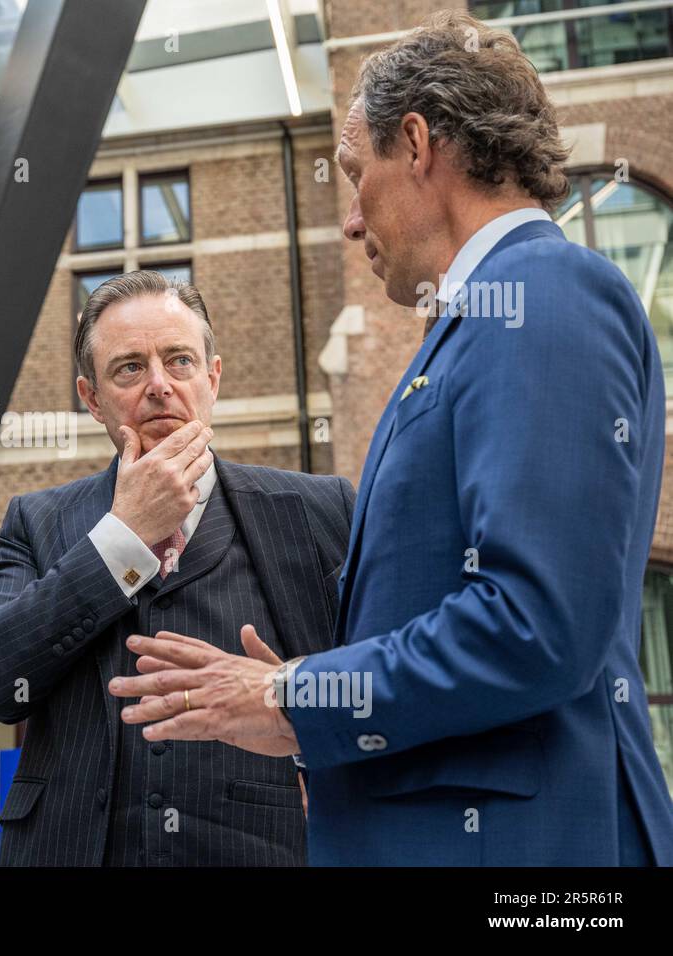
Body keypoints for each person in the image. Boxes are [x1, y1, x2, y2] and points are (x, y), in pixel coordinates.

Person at [110, 12, 673, 865]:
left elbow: (536, 622)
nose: (349, 220)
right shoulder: (478, 321)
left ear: (416, 144)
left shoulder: (544, 290)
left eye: (352, 173)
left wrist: (295, 694)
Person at [0, 270, 354, 865]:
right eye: (129, 368)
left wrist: (294, 705)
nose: (160, 387)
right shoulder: (36, 522)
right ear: (91, 398)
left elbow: (384, 680)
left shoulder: (320, 511)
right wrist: (123, 538)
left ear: (213, 378)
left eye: (180, 361)